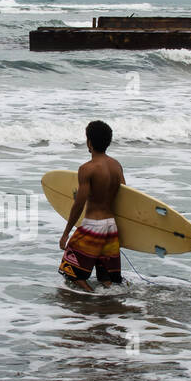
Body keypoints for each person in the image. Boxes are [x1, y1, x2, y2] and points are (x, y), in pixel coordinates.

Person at [59, 120, 124, 291]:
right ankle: (110, 300)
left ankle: (92, 296)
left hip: (93, 226)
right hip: (111, 226)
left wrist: (66, 234)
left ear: (89, 142)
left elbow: (78, 205)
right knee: (106, 276)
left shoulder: (87, 169)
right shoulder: (116, 166)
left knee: (70, 271)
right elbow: (125, 197)